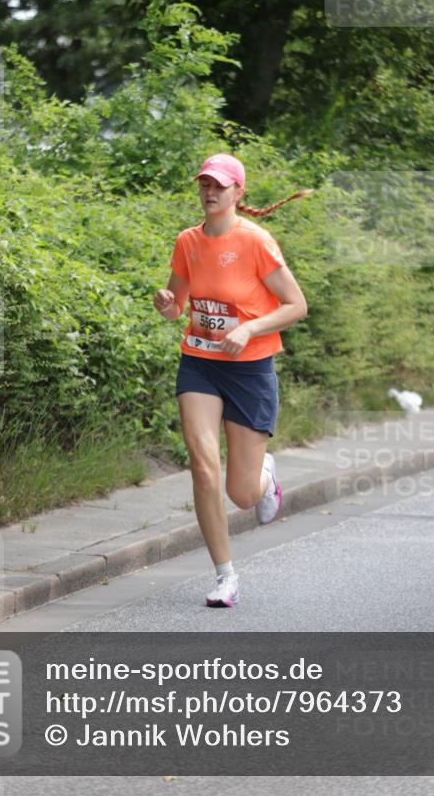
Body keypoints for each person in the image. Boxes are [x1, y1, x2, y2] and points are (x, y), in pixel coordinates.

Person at [153, 153, 310, 608]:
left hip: (249, 368)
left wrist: (247, 328)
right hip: (200, 363)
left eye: (220, 186)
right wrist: (167, 305)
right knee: (203, 466)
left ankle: (265, 474)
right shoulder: (188, 242)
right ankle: (225, 577)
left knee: (241, 495)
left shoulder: (256, 242)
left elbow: (295, 305)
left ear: (238, 192)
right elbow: (178, 305)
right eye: (204, 184)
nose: (210, 192)